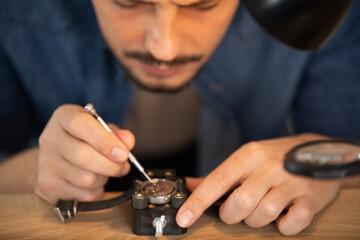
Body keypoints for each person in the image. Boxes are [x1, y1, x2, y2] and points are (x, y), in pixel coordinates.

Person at [0, 0, 359, 236]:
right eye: (127, 1)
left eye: (203, 4)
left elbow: (351, 154)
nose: (163, 49)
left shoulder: (320, 8)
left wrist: (321, 166)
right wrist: (35, 172)